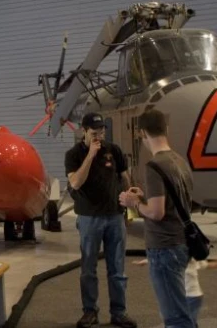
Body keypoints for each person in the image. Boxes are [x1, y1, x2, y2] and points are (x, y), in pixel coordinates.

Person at [120, 109, 195, 328]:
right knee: (180, 308)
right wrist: (145, 197)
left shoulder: (154, 166)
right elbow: (178, 201)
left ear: (141, 133)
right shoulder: (179, 161)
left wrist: (133, 202)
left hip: (164, 248)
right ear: (166, 129)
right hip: (180, 244)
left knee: (175, 317)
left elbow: (157, 212)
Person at [65, 112, 137, 328]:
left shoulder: (113, 151)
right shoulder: (74, 155)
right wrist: (90, 156)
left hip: (115, 217)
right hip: (89, 219)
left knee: (117, 268)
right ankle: (90, 311)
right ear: (84, 131)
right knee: (88, 268)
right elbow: (76, 183)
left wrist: (130, 202)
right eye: (94, 133)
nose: (99, 137)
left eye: (102, 132)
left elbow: (124, 177)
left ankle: (119, 312)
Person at [133, 257, 217, 327]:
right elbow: (162, 257)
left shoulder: (186, 255)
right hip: (185, 295)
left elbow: (206, 265)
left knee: (182, 322)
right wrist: (147, 261)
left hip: (191, 297)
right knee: (182, 321)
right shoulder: (180, 254)